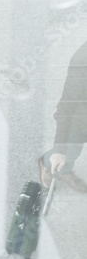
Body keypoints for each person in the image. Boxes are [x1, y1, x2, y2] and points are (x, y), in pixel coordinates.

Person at [38, 37, 87, 192]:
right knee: (70, 151)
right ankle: (47, 163)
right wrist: (59, 150)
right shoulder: (81, 61)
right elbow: (67, 105)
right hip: (80, 119)